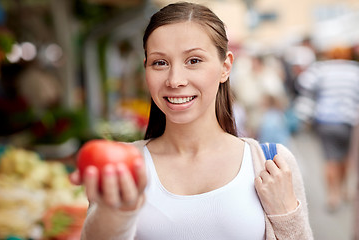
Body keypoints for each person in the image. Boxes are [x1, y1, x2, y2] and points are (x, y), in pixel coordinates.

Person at [71, 2, 313, 239]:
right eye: (160, 63)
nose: (175, 80)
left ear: (225, 67)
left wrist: (286, 215)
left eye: (194, 61)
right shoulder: (122, 165)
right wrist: (113, 213)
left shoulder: (272, 163)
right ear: (146, 69)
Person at [295, 46, 359, 211]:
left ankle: (332, 195)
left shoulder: (321, 69)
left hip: (325, 120)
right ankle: (344, 188)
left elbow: (303, 83)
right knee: (345, 158)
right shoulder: (354, 70)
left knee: (330, 159)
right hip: (349, 121)